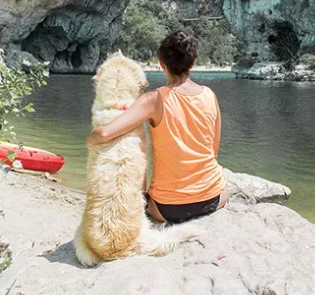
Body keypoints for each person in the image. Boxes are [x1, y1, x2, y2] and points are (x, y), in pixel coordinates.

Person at [86, 30, 228, 224]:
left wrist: (89, 138)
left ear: (162, 64)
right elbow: (213, 151)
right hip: (214, 198)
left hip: (168, 209)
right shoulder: (209, 95)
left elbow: (104, 134)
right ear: (192, 62)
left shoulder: (154, 100)